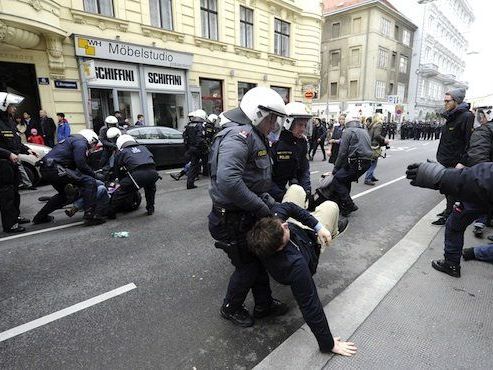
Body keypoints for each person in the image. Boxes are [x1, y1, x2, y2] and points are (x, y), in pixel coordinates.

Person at [208, 86, 288, 327]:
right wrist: (264, 209)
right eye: (271, 118)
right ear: (257, 114)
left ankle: (264, 303)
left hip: (244, 216)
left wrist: (275, 206)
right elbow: (229, 182)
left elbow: (254, 184)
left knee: (257, 261)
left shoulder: (253, 135)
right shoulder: (238, 136)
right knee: (248, 266)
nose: (274, 124)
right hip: (230, 220)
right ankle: (230, 307)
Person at [247, 201, 356, 356]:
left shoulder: (266, 230)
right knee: (332, 206)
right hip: (310, 244)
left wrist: (318, 227)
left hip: (299, 235)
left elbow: (289, 207)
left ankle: (319, 223)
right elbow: (310, 306)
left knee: (296, 190)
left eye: (282, 224)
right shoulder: (296, 266)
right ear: (279, 247)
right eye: (283, 229)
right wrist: (328, 343)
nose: (285, 225)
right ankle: (332, 231)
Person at [33, 129, 103, 226]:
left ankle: (39, 217)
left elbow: (73, 165)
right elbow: (81, 164)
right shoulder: (81, 143)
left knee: (64, 195)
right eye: (94, 143)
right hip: (56, 168)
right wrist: (95, 175)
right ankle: (90, 216)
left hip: (47, 168)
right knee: (90, 182)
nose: (94, 146)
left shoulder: (70, 140)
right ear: (90, 139)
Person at [432, 88, 474, 226]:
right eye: (444, 101)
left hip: (456, 163)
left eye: (447, 101)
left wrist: (462, 162)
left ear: (456, 101)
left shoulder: (467, 116)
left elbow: (470, 142)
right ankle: (447, 210)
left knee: (452, 190)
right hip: (446, 160)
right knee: (446, 189)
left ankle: (449, 216)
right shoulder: (451, 116)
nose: (445, 103)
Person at [0, 92, 35, 233]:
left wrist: (28, 150)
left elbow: (15, 142)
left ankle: (16, 217)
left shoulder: (9, 121)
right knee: (7, 195)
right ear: (3, 106)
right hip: (2, 163)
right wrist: (8, 154)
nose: (14, 109)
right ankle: (10, 225)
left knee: (15, 192)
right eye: (11, 106)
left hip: (12, 162)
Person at [269, 102, 312, 202]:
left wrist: (306, 192)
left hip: (288, 189)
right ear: (288, 123)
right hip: (271, 192)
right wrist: (284, 197)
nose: (303, 129)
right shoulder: (275, 142)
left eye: (305, 125)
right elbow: (265, 179)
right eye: (300, 125)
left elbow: (304, 170)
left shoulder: (302, 142)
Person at [330, 116, 373, 216]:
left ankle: (349, 204)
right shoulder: (364, 131)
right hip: (366, 162)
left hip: (357, 161)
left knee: (337, 179)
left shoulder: (348, 131)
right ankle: (345, 206)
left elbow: (342, 152)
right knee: (345, 179)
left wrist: (336, 168)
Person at [109, 134, 159, 217]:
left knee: (120, 192)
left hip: (137, 175)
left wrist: (122, 181)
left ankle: (111, 212)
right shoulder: (143, 148)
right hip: (153, 173)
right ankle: (150, 208)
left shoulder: (122, 152)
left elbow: (117, 170)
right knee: (150, 189)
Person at [182, 110, 206, 189]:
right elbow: (200, 138)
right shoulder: (199, 125)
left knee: (193, 165)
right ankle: (190, 183)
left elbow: (185, 137)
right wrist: (204, 148)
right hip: (197, 148)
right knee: (198, 164)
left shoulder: (189, 125)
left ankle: (190, 183)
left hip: (190, 148)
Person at [364, 113, 389, 186]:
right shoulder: (378, 125)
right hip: (375, 145)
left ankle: (371, 176)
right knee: (373, 163)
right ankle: (368, 178)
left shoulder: (372, 125)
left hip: (370, 144)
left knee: (372, 161)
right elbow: (377, 135)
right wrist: (384, 140)